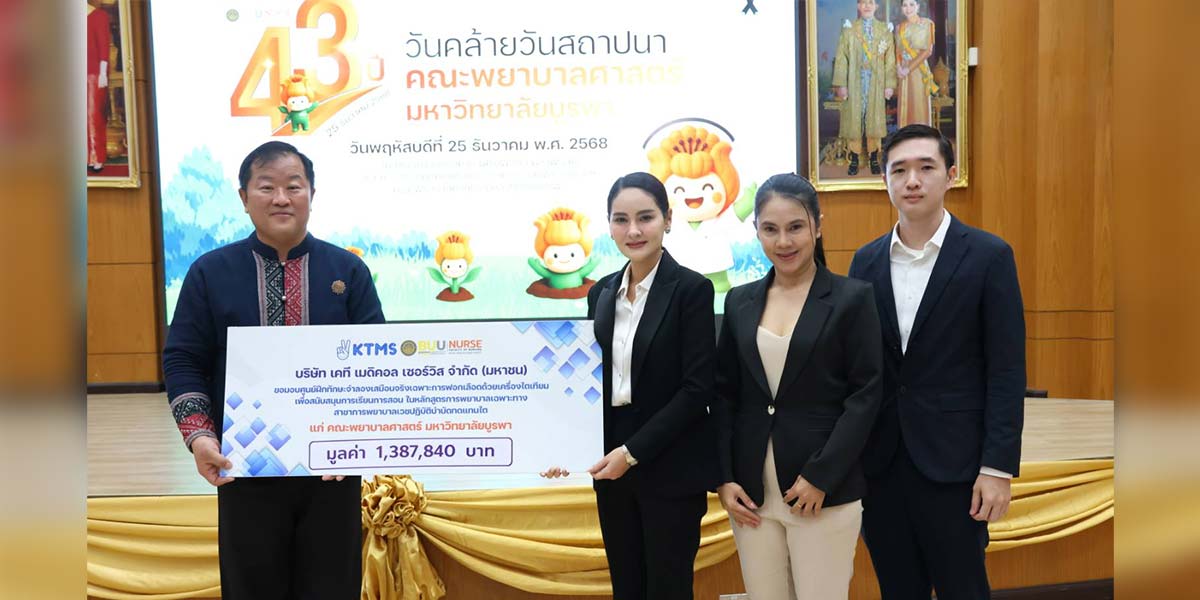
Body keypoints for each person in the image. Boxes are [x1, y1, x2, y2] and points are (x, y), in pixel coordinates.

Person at [163, 141, 385, 599]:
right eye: (266, 187)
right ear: (244, 198)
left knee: (332, 587)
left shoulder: (349, 271)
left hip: (331, 470)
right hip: (243, 467)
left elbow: (377, 362)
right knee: (251, 587)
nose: (281, 198)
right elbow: (183, 359)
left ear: (312, 194)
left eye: (293, 186)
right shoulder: (209, 273)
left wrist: (356, 440)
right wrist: (200, 437)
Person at [848, 124, 1025, 599]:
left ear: (950, 175)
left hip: (957, 467)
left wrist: (997, 468)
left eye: (926, 167)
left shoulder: (989, 256)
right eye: (899, 170)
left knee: (963, 589)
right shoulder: (864, 262)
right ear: (884, 180)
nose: (912, 180)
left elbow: (1007, 371)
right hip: (882, 467)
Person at [543, 172, 720, 599]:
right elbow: (589, 380)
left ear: (667, 220)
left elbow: (697, 390)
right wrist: (565, 446)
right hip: (612, 468)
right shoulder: (601, 292)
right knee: (627, 588)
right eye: (621, 219)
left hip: (670, 465)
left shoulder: (693, 290)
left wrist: (632, 452)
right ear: (609, 226)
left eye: (646, 217)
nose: (634, 230)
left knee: (667, 590)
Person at [714, 173, 882, 599]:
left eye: (795, 227)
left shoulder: (852, 298)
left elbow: (865, 396)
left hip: (821, 491)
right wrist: (725, 477)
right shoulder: (739, 301)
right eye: (770, 229)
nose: (783, 241)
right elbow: (725, 395)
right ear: (756, 231)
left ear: (817, 227)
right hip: (751, 495)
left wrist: (821, 476)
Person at [832, 0, 897, 176]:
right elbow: (841, 58)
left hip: (876, 82)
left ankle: (874, 157)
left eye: (871, 2)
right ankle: (854, 158)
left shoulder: (885, 30)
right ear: (858, 6)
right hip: (855, 81)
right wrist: (842, 84)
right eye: (863, 2)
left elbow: (890, 60)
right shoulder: (849, 29)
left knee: (874, 118)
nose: (867, 6)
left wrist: (889, 85)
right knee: (854, 118)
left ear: (876, 6)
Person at [895, 0, 937, 127]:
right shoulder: (899, 27)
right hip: (903, 73)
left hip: (919, 70)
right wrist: (898, 67)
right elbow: (898, 51)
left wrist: (908, 69)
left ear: (918, 6)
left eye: (911, 4)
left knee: (919, 106)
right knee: (905, 107)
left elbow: (928, 51)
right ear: (901, 8)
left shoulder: (927, 24)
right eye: (905, 5)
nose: (908, 8)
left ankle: (921, 137)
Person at [86, 0, 111, 172]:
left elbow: (103, 45)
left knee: (94, 116)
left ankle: (98, 157)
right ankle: (88, 156)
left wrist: (103, 73)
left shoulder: (99, 16)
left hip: (94, 73)